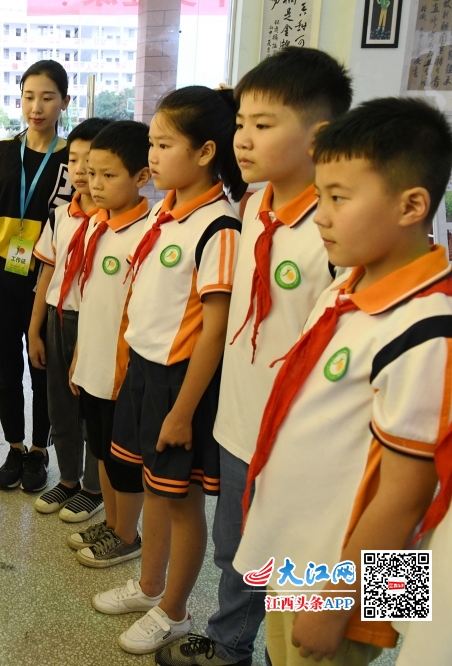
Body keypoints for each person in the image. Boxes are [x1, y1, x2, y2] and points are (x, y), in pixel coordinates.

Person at [233, 98, 452, 665]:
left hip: (344, 583)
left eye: (339, 198)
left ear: (412, 205)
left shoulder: (427, 330)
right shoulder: (347, 287)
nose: (322, 215)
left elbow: (407, 494)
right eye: (320, 194)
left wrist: (342, 604)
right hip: (303, 559)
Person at [157, 47, 353, 666]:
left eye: (262, 125)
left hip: (312, 446)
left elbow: (399, 523)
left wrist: (354, 609)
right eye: (240, 122)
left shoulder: (344, 237)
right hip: (246, 423)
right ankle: (231, 642)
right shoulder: (255, 207)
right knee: (239, 547)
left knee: (313, 587)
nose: (242, 138)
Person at [95, 86, 245, 655]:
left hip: (179, 384)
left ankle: (176, 610)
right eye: (151, 143)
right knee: (156, 492)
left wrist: (183, 411)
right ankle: (151, 585)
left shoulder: (219, 226)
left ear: (206, 151)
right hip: (145, 371)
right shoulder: (169, 211)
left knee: (181, 501)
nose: (151, 156)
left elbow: (213, 331)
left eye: (163, 144)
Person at [0, 59, 74, 492]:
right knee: (6, 367)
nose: (37, 106)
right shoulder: (0, 154)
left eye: (47, 97)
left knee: (42, 366)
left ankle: (40, 451)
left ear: (64, 101)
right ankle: (14, 445)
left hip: (47, 277)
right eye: (29, 97)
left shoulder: (73, 159)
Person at [65, 120, 151, 567]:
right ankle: (113, 523)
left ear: (141, 176)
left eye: (107, 175)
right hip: (93, 364)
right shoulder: (97, 226)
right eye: (90, 173)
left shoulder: (148, 233)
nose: (95, 184)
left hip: (122, 373)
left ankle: (127, 534)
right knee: (99, 449)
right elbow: (92, 301)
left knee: (123, 462)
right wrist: (80, 358)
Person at [28, 116, 110, 520]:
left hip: (96, 327)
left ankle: (95, 487)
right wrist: (34, 329)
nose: (80, 171)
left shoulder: (116, 221)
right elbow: (47, 273)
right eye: (74, 161)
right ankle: (68, 479)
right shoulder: (61, 216)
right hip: (57, 320)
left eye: (90, 163)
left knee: (92, 409)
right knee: (59, 404)